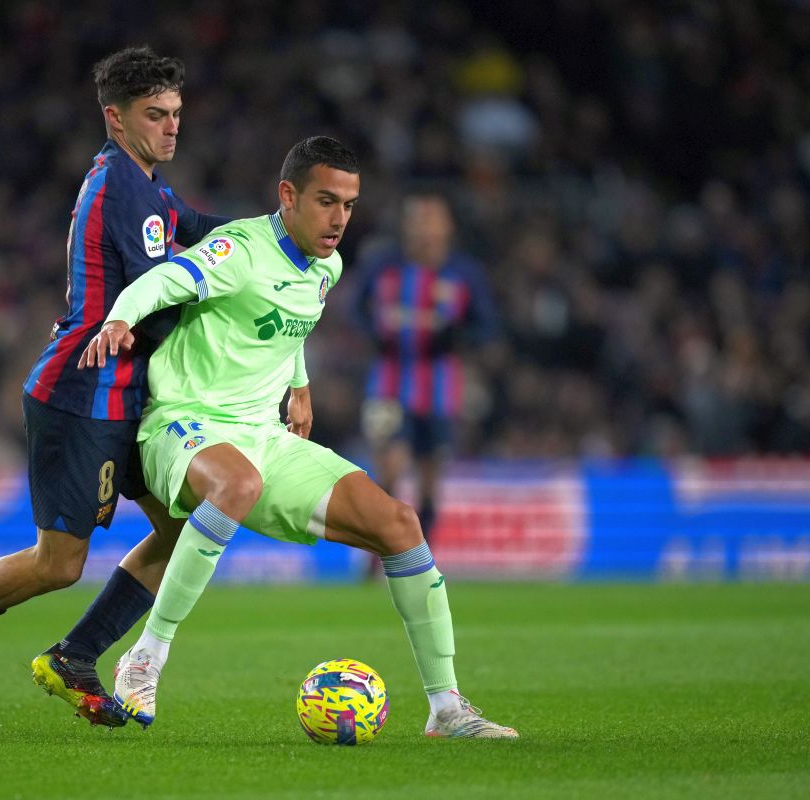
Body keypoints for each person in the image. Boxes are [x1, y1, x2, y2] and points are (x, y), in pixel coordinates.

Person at [79, 136, 518, 738]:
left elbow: (286, 327)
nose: (339, 219)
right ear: (287, 196)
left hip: (261, 435)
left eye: (350, 204)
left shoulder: (327, 266)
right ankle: (145, 657)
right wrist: (120, 319)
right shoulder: (238, 249)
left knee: (400, 524)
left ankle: (447, 709)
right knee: (236, 484)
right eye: (325, 201)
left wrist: (300, 382)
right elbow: (163, 282)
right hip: (183, 423)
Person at [0, 46, 231, 727]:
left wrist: (277, 239)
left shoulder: (148, 185)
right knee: (60, 562)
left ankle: (76, 655)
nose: (171, 127)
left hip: (124, 396)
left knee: (184, 529)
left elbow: (201, 231)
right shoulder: (122, 189)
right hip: (84, 395)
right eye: (156, 115)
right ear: (115, 117)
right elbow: (159, 300)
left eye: (177, 114)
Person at [354, 193, 499, 553]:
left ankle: (422, 554)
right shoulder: (383, 265)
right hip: (386, 382)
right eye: (417, 219)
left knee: (430, 478)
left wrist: (453, 336)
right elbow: (354, 308)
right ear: (406, 225)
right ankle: (380, 556)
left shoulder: (464, 273)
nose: (423, 227)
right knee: (390, 465)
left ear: (447, 227)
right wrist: (375, 331)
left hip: (440, 385)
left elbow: (486, 325)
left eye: (431, 219)